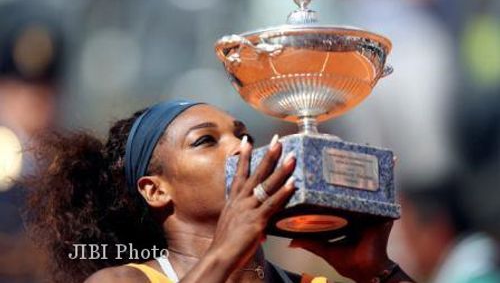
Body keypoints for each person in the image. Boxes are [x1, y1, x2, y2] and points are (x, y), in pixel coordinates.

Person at [23, 99, 414, 283]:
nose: (243, 147)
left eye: (243, 135)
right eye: (205, 141)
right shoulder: (122, 281)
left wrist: (378, 270)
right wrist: (228, 249)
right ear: (155, 190)